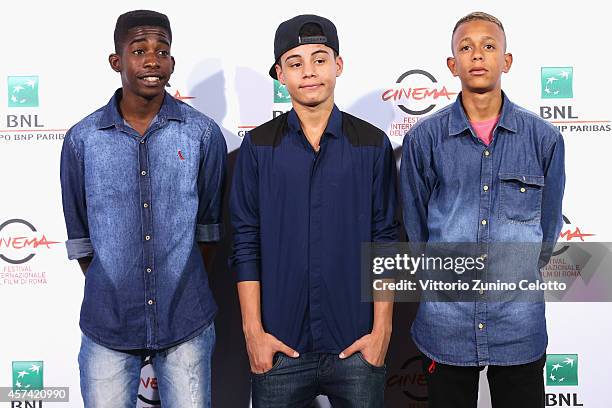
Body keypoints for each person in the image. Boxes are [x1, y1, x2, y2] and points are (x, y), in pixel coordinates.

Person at [59, 10, 226, 407]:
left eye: (162, 50)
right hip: (109, 323)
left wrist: (175, 280)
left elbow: (208, 230)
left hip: (186, 319)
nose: (152, 60)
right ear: (116, 61)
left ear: (171, 62)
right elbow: (81, 239)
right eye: (139, 50)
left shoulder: (201, 134)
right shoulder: (82, 140)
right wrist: (117, 281)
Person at [230, 14, 398, 408]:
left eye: (320, 59)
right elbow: (245, 244)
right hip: (279, 347)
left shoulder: (372, 145)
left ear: (338, 65)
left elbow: (387, 241)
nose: (309, 72)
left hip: (357, 346)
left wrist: (382, 331)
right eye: (295, 63)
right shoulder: (258, 148)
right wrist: (254, 333)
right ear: (279, 74)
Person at [400, 11, 565, 408]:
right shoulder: (424, 139)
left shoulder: (544, 139)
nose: (478, 55)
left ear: (506, 61)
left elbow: (547, 229)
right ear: (452, 64)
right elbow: (416, 229)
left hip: (518, 323)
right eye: (466, 47)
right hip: (446, 323)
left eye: (489, 46)